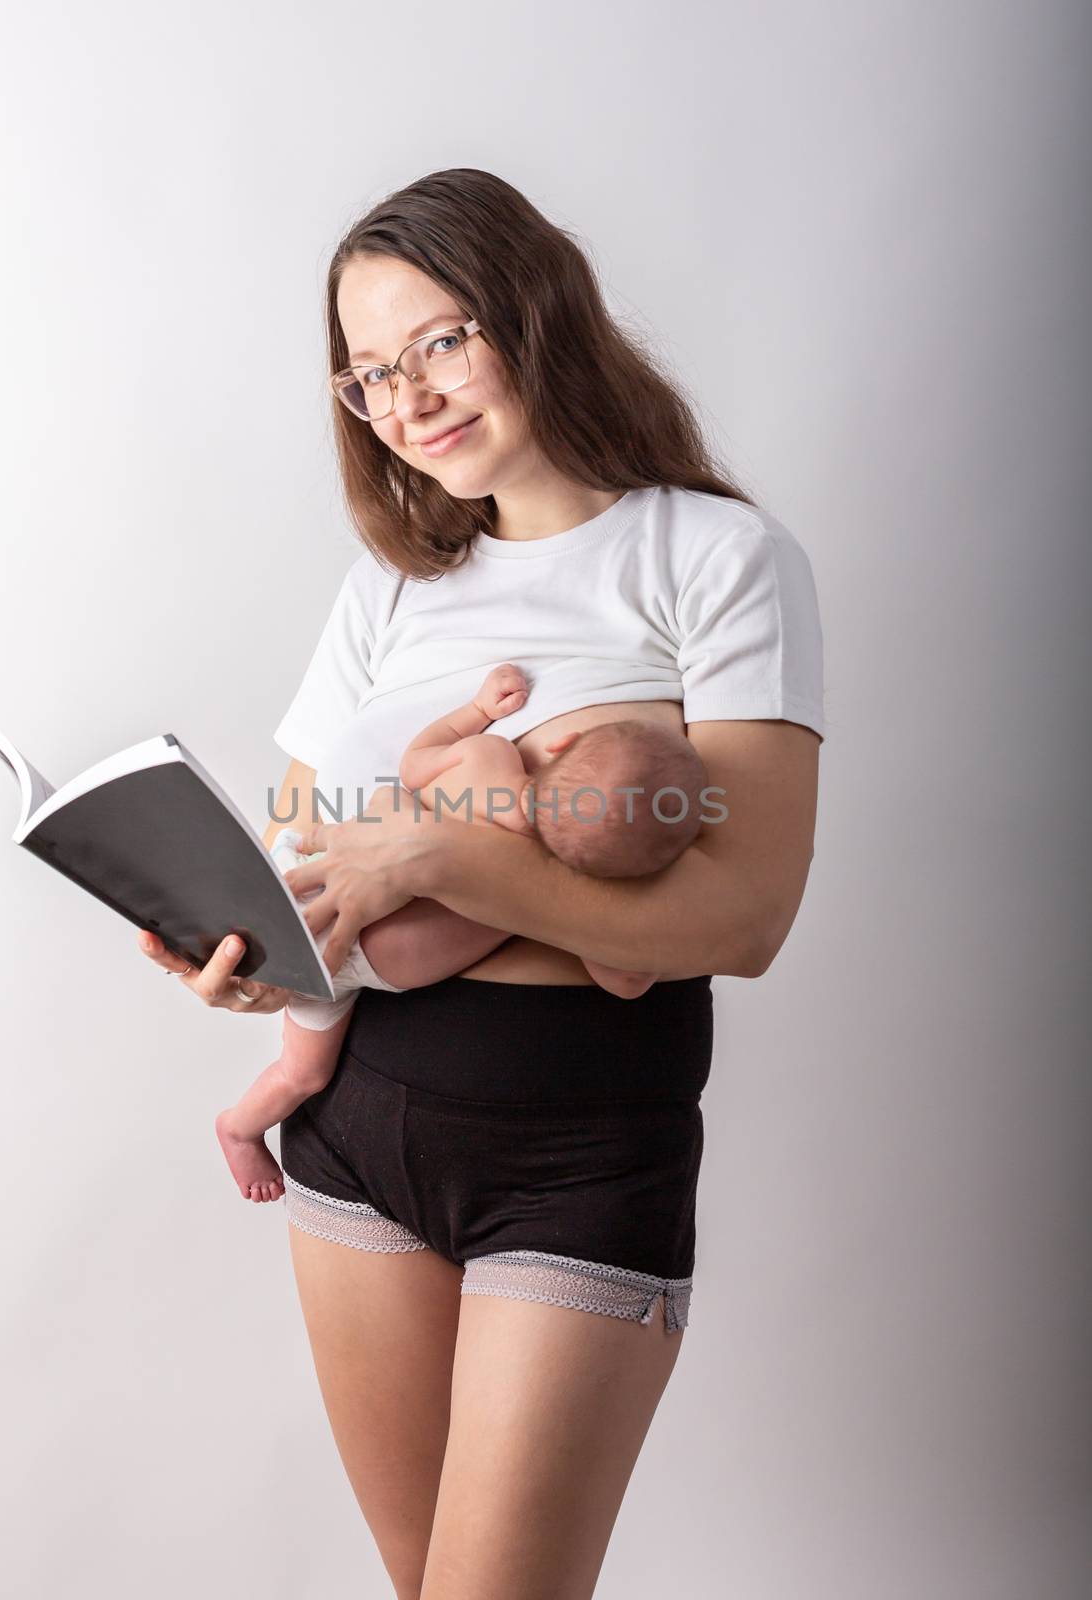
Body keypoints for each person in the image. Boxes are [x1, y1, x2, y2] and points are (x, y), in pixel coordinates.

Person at [137, 167, 824, 1600]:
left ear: (536, 308)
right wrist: (247, 950)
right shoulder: (390, 590)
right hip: (360, 1123)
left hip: (583, 1138)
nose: (407, 399)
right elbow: (310, 846)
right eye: (370, 373)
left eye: (439, 341)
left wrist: (450, 854)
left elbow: (746, 919)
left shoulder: (715, 555)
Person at [214, 660, 712, 1202]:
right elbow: (626, 978)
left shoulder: (487, 759)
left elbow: (413, 765)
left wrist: (476, 712)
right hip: (342, 958)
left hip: (310, 874)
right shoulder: (570, 894)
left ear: (562, 742)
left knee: (290, 1058)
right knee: (302, 1074)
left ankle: (239, 1126)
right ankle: (238, 1126)